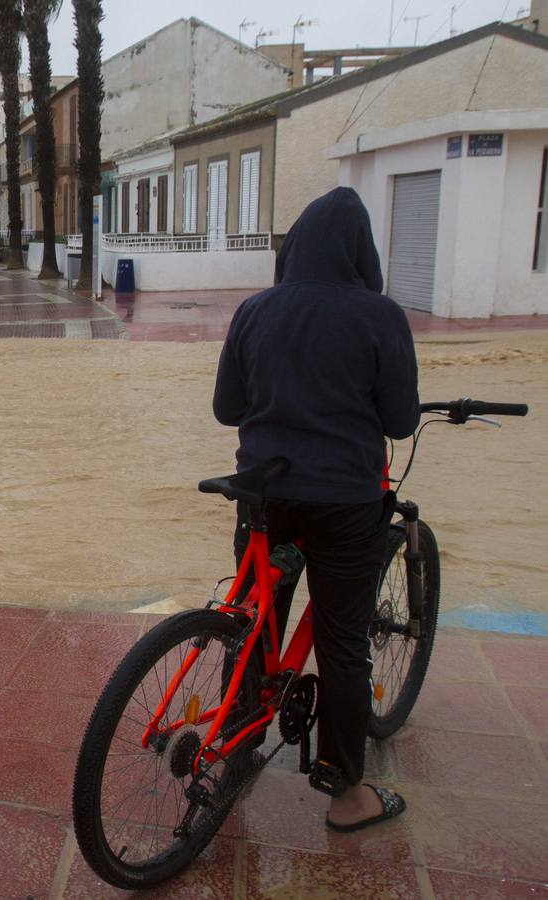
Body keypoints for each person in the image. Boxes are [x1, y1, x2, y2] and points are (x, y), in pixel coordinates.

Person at [212, 187, 419, 833]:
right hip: (345, 503)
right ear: (362, 252)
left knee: (251, 620)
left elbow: (227, 408)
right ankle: (343, 794)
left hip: (263, 494)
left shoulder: (254, 309)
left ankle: (237, 746)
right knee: (342, 642)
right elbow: (400, 420)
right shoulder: (379, 315)